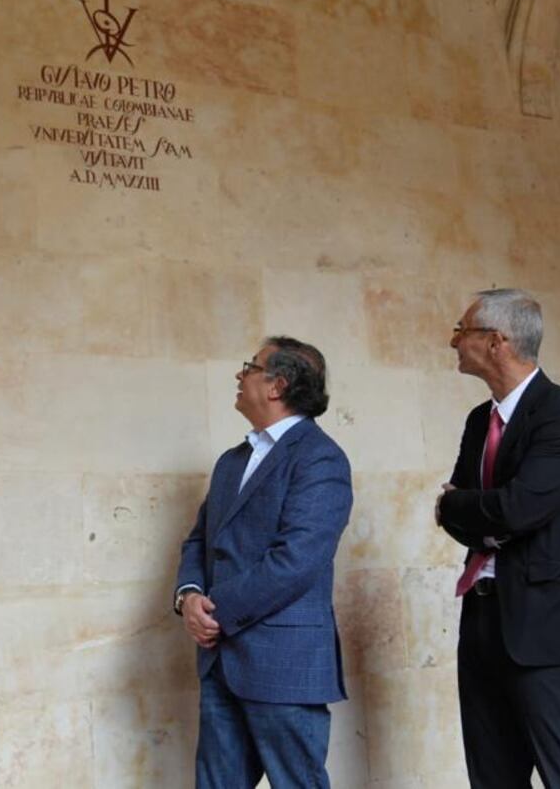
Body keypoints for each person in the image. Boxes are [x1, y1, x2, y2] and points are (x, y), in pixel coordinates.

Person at [436, 288, 560, 789]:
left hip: (547, 627)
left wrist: (464, 506)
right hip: (483, 620)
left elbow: (519, 507)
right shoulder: (478, 421)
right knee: (492, 779)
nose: (452, 341)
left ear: (497, 341)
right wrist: (470, 511)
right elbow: (458, 517)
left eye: (461, 330)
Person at [174, 336, 352, 788]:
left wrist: (216, 611)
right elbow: (199, 540)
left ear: (278, 385)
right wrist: (189, 595)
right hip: (219, 662)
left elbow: (297, 561)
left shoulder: (321, 459)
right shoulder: (231, 462)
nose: (240, 374)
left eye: (250, 366)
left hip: (284, 664)